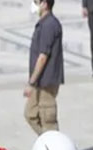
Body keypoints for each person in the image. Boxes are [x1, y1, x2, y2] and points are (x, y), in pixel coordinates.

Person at [24, 0, 64, 135]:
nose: (34, 4)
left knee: (48, 120)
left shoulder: (49, 25)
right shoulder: (43, 23)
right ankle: (46, 143)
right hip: (39, 82)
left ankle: (55, 148)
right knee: (30, 113)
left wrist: (31, 82)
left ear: (45, 4)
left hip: (46, 82)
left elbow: (43, 57)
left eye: (36, 2)